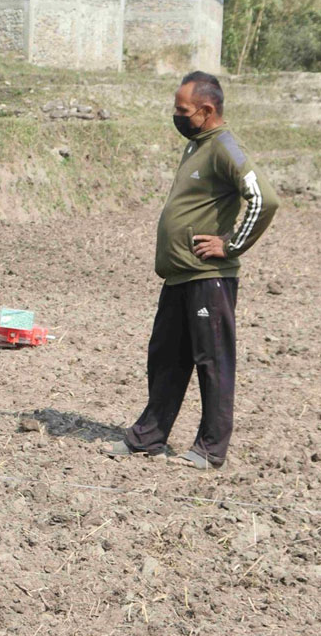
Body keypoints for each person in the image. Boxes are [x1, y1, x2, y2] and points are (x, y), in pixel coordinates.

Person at [104, 72, 280, 470]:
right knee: (165, 358)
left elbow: (264, 199)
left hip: (207, 278)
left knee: (213, 362)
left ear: (207, 110)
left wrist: (231, 245)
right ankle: (148, 437)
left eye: (182, 110)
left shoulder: (224, 146)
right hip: (179, 275)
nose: (177, 116)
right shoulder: (197, 146)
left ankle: (210, 448)